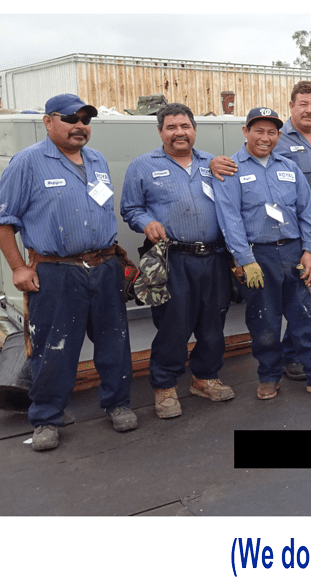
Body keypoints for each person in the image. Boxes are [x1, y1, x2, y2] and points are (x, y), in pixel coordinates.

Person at [0, 94, 136, 450]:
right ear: (48, 121)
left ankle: (117, 404)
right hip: (57, 272)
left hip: (104, 267)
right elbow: (1, 222)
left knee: (113, 343)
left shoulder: (98, 160)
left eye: (85, 119)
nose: (79, 126)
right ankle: (45, 418)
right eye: (70, 118)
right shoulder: (27, 163)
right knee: (53, 349)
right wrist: (18, 269)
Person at [213, 106, 311, 400]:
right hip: (258, 257)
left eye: (272, 132)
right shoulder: (231, 169)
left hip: (294, 253)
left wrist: (308, 252)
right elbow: (230, 219)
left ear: (278, 135)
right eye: (259, 131)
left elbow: (306, 212)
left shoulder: (288, 167)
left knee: (304, 317)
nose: (265, 138)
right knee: (265, 322)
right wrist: (245, 259)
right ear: (246, 132)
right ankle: (268, 377)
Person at [121, 102, 235, 419]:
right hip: (171, 258)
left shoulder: (212, 163)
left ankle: (205, 378)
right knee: (173, 324)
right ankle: (165, 387)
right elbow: (129, 208)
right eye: (171, 127)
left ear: (194, 130)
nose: (179, 132)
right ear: (161, 132)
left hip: (214, 257)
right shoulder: (142, 166)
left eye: (184, 126)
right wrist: (146, 223)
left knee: (214, 323)